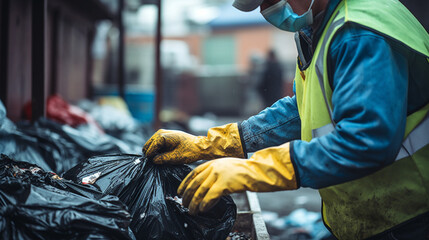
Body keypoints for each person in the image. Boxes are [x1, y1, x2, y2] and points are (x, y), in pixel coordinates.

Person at [143, 0, 429, 239]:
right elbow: (301, 110)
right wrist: (210, 144)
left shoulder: (359, 32)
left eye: (270, 0)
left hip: (410, 217)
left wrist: (254, 170)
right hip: (375, 215)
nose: (267, 11)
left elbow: (367, 141)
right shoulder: (320, 27)